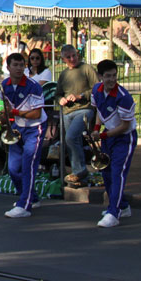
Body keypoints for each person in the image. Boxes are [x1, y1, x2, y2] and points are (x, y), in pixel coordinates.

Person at [88, 59, 137, 228]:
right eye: (107, 76)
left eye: (114, 76)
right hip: (108, 136)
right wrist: (96, 128)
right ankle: (122, 206)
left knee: (118, 173)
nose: (111, 80)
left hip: (124, 138)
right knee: (106, 173)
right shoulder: (96, 90)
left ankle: (113, 212)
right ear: (100, 76)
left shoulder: (124, 97)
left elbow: (125, 126)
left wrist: (103, 134)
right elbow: (99, 112)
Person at [1, 53, 47, 218]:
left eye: (22, 65)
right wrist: (5, 118)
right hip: (18, 128)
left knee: (29, 165)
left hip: (35, 128)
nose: (20, 68)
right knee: (13, 168)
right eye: (16, 65)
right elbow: (7, 106)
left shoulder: (33, 86)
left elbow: (36, 114)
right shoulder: (5, 85)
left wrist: (16, 112)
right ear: (8, 67)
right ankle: (30, 197)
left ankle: (24, 205)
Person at [56, 44, 99, 186]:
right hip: (67, 111)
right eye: (68, 57)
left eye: (74, 55)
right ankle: (79, 173)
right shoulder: (63, 75)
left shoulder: (86, 69)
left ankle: (80, 170)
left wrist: (81, 96)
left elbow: (97, 88)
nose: (72, 59)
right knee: (72, 142)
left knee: (71, 137)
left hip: (84, 109)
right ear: (63, 59)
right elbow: (57, 94)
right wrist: (60, 99)